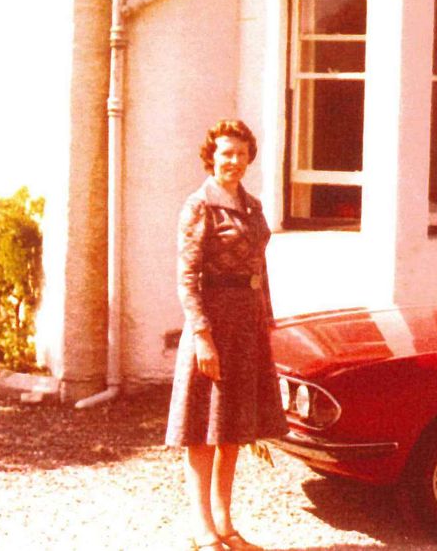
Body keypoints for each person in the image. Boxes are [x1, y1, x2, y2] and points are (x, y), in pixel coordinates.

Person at [166, 119, 288, 551]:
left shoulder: (252, 207)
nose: (233, 161)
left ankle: (225, 524)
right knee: (202, 427)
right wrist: (201, 335)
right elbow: (186, 277)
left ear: (248, 157)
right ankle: (202, 529)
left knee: (232, 428)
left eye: (240, 153)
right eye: (225, 154)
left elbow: (260, 270)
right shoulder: (199, 206)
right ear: (211, 157)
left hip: (246, 326)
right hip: (213, 323)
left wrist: (266, 322)